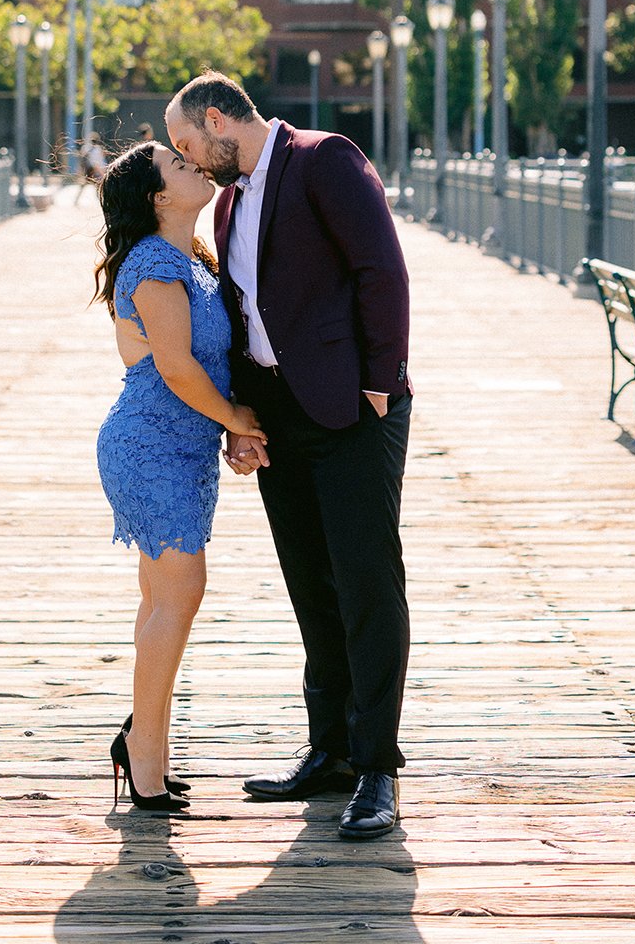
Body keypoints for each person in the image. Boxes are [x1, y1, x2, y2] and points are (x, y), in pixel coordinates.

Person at [165, 71, 411, 842]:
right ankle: (331, 750)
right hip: (281, 418)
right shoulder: (234, 196)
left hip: (352, 412)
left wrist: (380, 383)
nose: (187, 160)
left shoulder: (324, 158)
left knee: (367, 582)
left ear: (217, 119)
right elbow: (246, 316)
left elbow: (383, 271)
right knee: (312, 585)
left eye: (185, 145)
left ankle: (377, 769)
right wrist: (244, 420)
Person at [93, 140, 267, 813]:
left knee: (163, 599)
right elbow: (175, 367)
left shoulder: (193, 258)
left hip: (182, 448)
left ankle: (146, 743)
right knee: (179, 593)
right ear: (157, 196)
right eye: (178, 165)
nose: (196, 165)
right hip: (149, 447)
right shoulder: (156, 264)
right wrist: (238, 422)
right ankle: (144, 756)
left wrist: (227, 424)